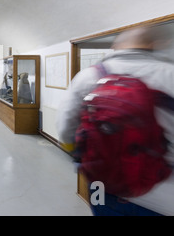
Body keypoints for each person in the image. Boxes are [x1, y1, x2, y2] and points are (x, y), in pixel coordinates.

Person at [57, 25, 174, 216]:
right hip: (163, 194)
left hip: (101, 182)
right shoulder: (170, 74)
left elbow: (64, 129)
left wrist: (80, 156)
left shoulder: (90, 76)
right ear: (154, 44)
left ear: (117, 47)